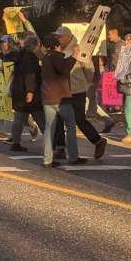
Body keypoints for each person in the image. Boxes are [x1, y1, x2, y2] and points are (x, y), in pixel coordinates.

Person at [51, 26, 108, 160]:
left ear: (67, 37)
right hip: (62, 89)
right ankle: (60, 148)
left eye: (59, 36)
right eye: (56, 36)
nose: (57, 38)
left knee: (79, 119)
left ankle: (98, 141)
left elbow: (88, 69)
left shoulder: (79, 49)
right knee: (58, 117)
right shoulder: (58, 50)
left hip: (77, 90)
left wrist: (86, 83)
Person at [39, 33, 83, 167]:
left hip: (47, 97)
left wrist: (69, 57)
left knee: (49, 128)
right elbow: (63, 68)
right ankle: (73, 157)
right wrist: (75, 55)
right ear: (57, 45)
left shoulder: (45, 58)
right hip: (61, 97)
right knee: (70, 125)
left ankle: (47, 159)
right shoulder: (56, 56)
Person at [4, 33, 43, 151]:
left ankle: (15, 142)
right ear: (34, 45)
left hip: (17, 89)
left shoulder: (19, 54)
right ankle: (52, 143)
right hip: (29, 91)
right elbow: (30, 75)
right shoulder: (31, 57)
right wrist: (30, 91)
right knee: (41, 117)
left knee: (19, 117)